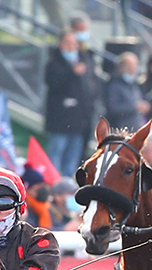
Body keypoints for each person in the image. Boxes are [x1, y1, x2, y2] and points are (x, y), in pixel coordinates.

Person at [44, 29, 100, 180]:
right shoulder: (54, 63)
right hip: (60, 120)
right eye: (68, 43)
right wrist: (71, 73)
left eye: (73, 43)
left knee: (73, 156)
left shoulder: (84, 61)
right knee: (57, 152)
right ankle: (53, 182)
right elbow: (53, 84)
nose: (71, 47)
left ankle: (68, 185)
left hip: (78, 120)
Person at [102, 52, 149, 132]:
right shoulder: (114, 85)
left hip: (134, 129)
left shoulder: (134, 85)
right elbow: (113, 108)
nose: (133, 69)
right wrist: (134, 107)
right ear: (121, 67)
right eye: (129, 66)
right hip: (120, 131)